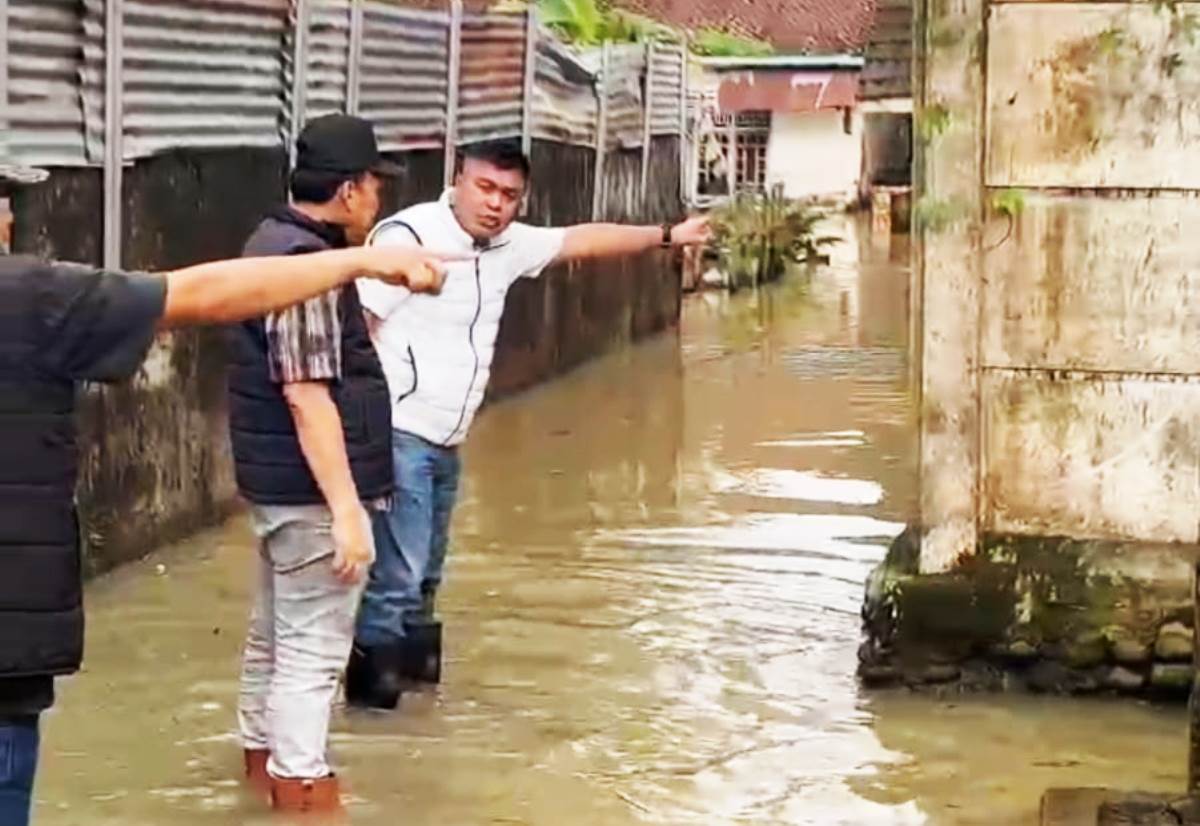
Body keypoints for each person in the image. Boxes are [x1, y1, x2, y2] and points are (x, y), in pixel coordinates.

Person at [0, 161, 447, 826]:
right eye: (6, 203)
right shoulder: (29, 297)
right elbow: (207, 295)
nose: (12, 218)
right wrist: (361, 263)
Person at [347, 139, 710, 709]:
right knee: (400, 575)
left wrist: (666, 236)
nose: (495, 204)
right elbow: (359, 330)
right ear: (458, 180)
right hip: (398, 430)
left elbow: (582, 241)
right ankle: (372, 710)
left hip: (448, 439)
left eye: (509, 195)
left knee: (428, 576)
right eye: (485, 188)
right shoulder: (410, 238)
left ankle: (415, 713)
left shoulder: (508, 245)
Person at [228, 114, 441, 813]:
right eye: (375, 186)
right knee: (313, 656)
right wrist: (349, 511)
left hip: (277, 488)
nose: (378, 202)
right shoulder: (306, 267)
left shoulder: (272, 242)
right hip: (311, 495)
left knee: (275, 641)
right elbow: (306, 392)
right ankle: (304, 792)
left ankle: (262, 776)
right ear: (350, 192)